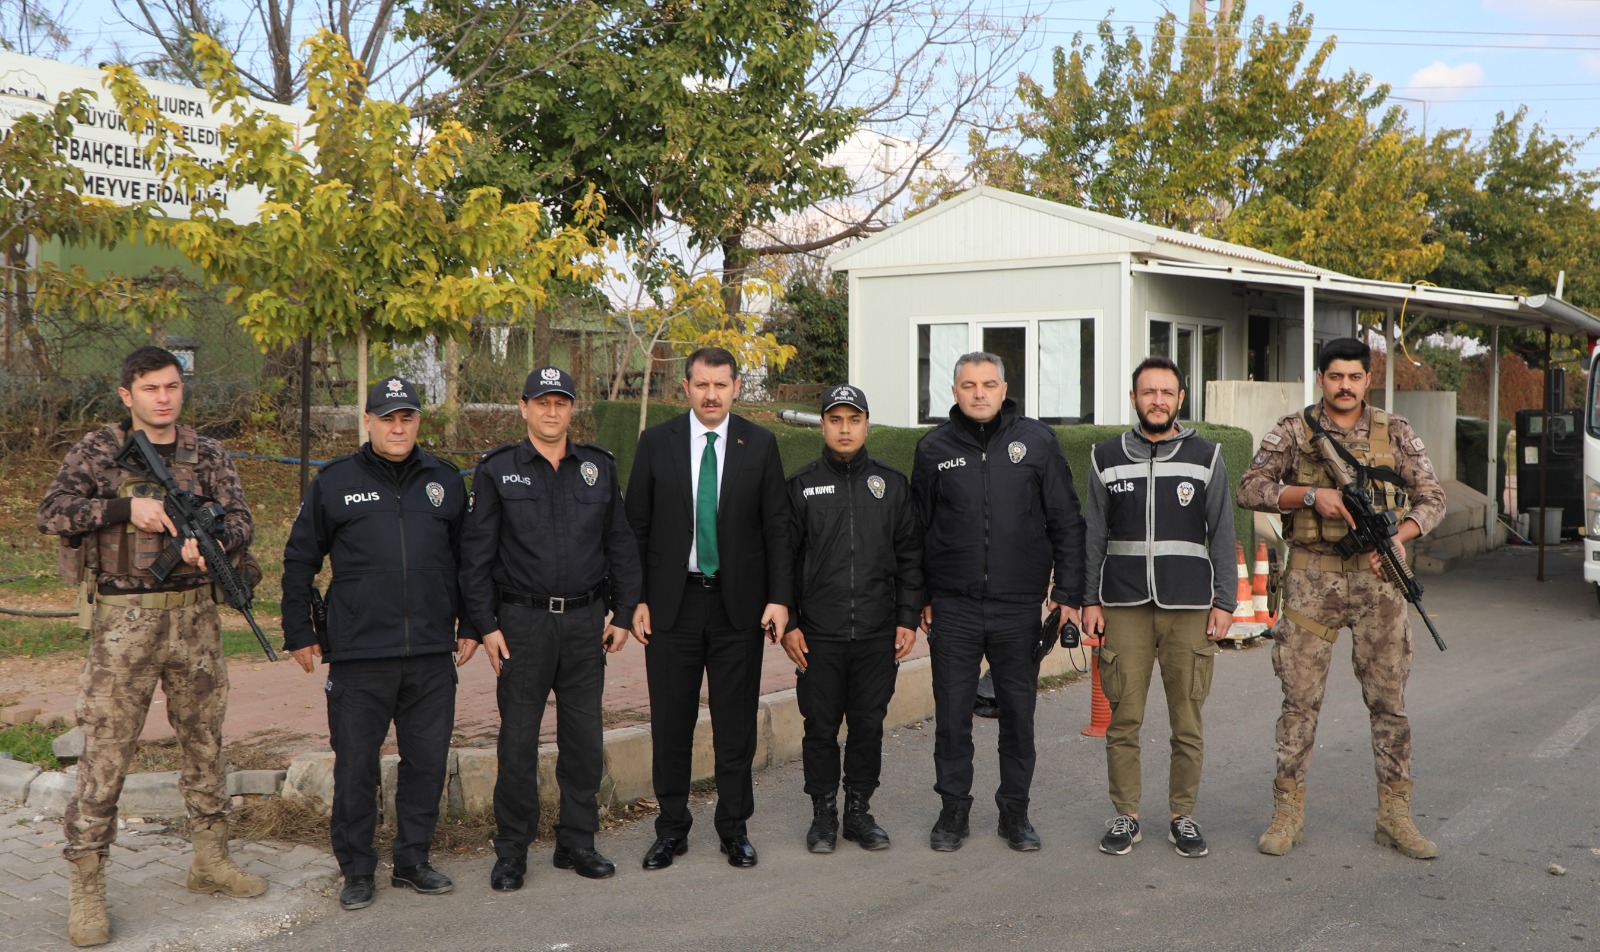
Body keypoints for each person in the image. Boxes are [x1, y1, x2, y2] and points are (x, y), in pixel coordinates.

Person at [37, 346, 266, 948]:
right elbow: (52, 513)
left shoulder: (207, 453)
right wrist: (125, 508)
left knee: (205, 742)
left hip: (194, 620)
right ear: (127, 395)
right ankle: (87, 887)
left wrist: (208, 538)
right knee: (106, 753)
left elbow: (243, 519)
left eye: (172, 386)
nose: (164, 398)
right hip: (123, 625)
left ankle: (210, 860)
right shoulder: (98, 451)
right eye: (151, 388)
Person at [1237, 336, 1446, 859]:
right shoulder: (1294, 431)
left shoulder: (1394, 430)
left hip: (1381, 583)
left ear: (1367, 380)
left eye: (1355, 377)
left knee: (1389, 704)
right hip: (1312, 580)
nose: (1345, 386)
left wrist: (1402, 535)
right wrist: (1310, 495)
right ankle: (1287, 813)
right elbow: (1249, 487)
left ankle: (1395, 815)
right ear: (1321, 379)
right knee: (1299, 702)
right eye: (1336, 377)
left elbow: (1432, 497)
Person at [280, 376, 475, 912]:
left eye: (406, 417)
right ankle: (358, 868)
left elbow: (469, 562)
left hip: (432, 655)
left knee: (427, 764)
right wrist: (298, 631)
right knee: (356, 768)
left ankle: (413, 861)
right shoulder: (335, 481)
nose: (397, 426)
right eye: (386, 417)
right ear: (366, 421)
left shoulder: (444, 480)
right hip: (361, 655)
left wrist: (474, 624)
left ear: (418, 421)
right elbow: (301, 559)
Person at [460, 366, 640, 888]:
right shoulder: (497, 470)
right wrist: (485, 625)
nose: (552, 411)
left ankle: (577, 842)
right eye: (542, 402)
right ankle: (512, 850)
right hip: (521, 625)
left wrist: (625, 612)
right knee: (517, 743)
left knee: (583, 739)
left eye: (561, 402)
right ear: (524, 408)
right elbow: (476, 556)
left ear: (572, 409)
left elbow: (621, 544)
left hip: (586, 623)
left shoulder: (598, 469)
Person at [911, 351, 1085, 853]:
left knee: (1017, 715)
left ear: (1004, 389)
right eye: (969, 385)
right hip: (954, 608)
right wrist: (919, 596)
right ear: (954, 391)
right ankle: (953, 812)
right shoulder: (932, 449)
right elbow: (914, 532)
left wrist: (1068, 595)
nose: (979, 393)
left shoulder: (1037, 442)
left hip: (1018, 608)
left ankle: (1015, 813)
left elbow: (1066, 522)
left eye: (989, 384)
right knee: (952, 718)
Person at [626, 346, 792, 870]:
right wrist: (634, 601)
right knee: (670, 724)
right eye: (702, 384)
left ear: (736, 387)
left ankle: (734, 828)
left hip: (736, 608)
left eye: (722, 384)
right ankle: (671, 829)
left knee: (735, 725)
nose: (712, 394)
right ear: (687, 388)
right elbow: (635, 529)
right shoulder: (656, 443)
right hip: (671, 608)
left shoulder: (760, 444)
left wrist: (780, 597)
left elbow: (778, 530)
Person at [1080, 356, 1236, 859]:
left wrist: (1225, 603)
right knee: (1123, 719)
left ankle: (1181, 816)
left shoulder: (1207, 456)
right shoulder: (1105, 457)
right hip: (1122, 604)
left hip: (1189, 605)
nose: (1158, 400)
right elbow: (1093, 535)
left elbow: (1224, 533)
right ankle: (1125, 815)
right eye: (1148, 392)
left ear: (1180, 399)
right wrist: (1089, 600)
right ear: (1133, 399)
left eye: (1167, 392)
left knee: (1186, 721)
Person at [782, 385, 924, 853]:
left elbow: (909, 558)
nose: (845, 428)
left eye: (854, 419)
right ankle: (823, 813)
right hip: (818, 636)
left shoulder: (891, 485)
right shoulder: (801, 486)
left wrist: (906, 618)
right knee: (820, 727)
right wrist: (790, 625)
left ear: (867, 424)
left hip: (877, 634)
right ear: (823, 425)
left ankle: (858, 810)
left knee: (867, 724)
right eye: (836, 419)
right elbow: (784, 560)